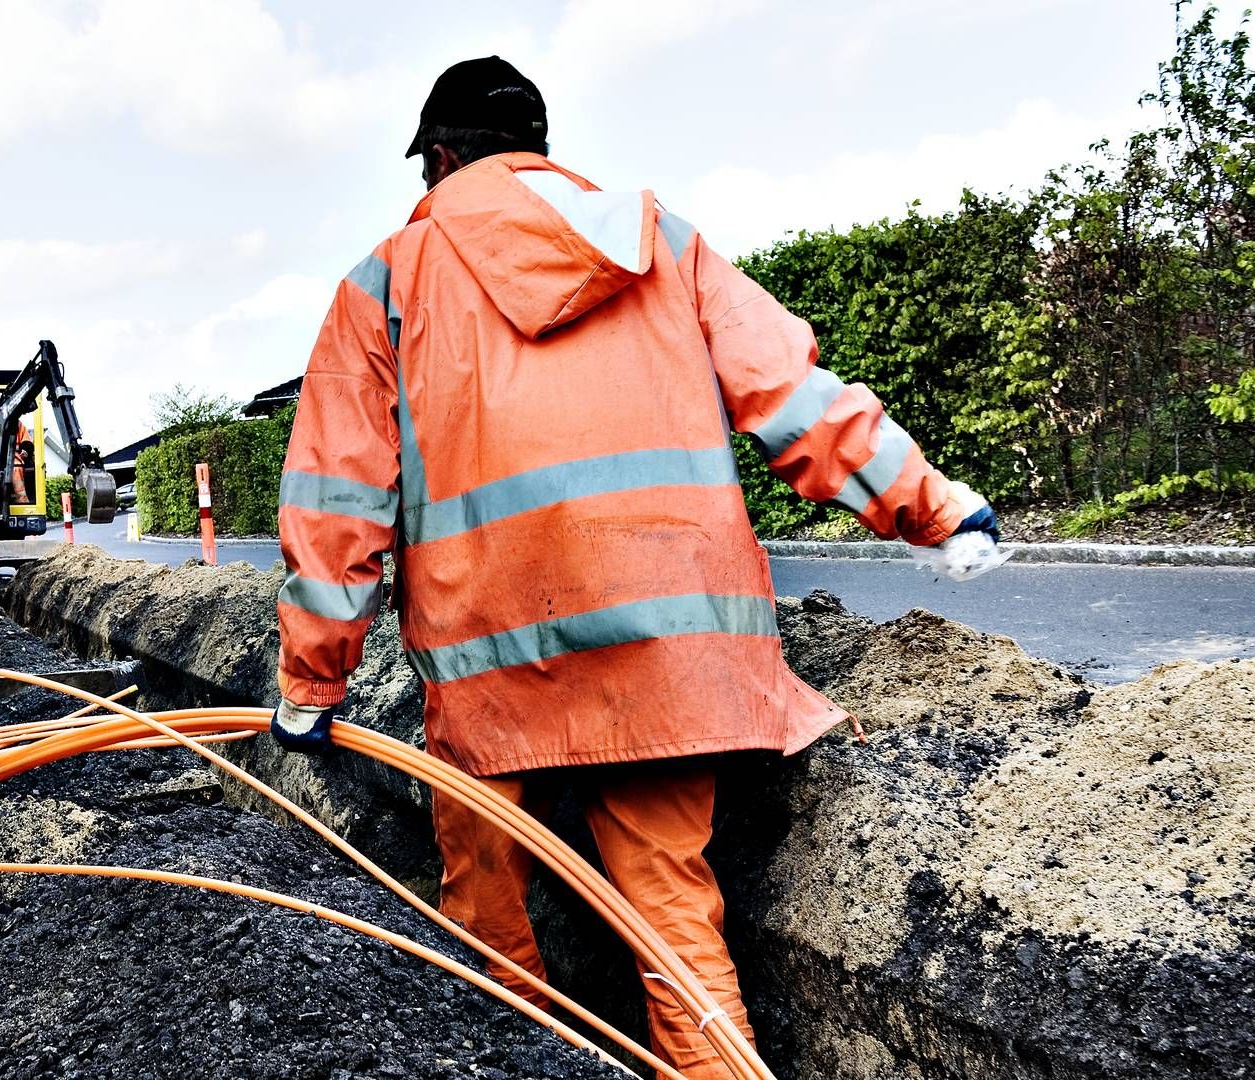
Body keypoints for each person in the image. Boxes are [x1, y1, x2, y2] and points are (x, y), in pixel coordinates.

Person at [269, 56, 999, 1079]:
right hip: (671, 656)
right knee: (674, 923)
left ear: (440, 158)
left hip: (493, 674)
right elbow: (793, 395)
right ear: (540, 148)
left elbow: (339, 502)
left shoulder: (387, 280)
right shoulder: (662, 243)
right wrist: (937, 510)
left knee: (490, 922)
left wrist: (313, 681)